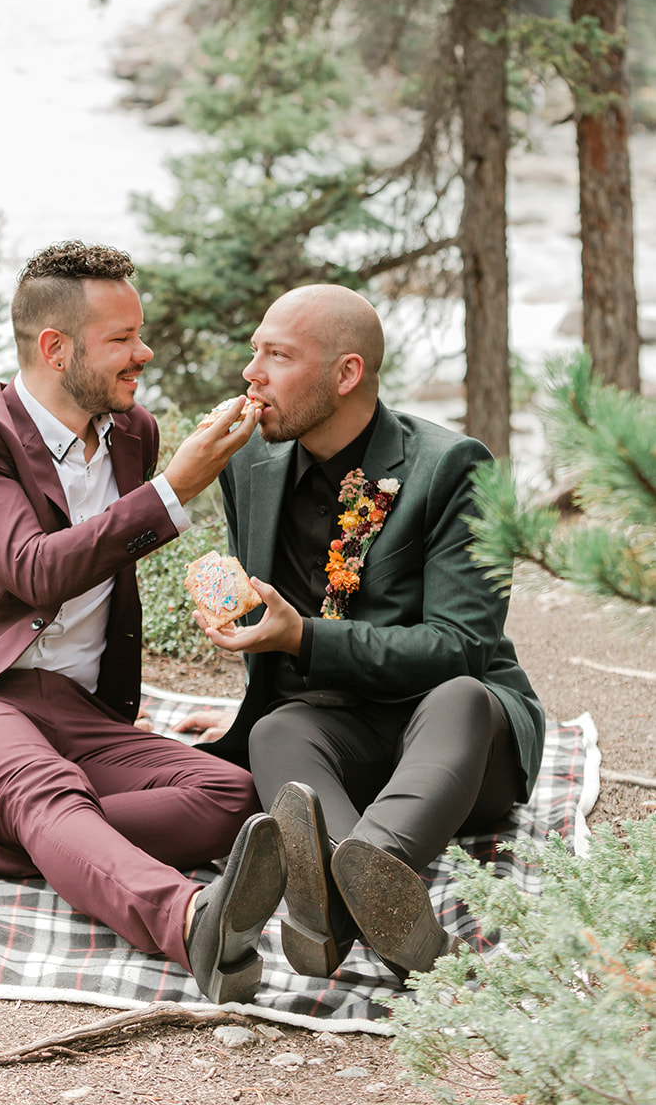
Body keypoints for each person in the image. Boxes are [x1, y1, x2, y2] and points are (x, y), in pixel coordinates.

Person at [0, 240, 287, 1004]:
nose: (143, 353)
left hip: (74, 706)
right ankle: (189, 923)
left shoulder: (133, 434)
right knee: (47, 792)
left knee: (231, 795)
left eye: (138, 333)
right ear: (55, 349)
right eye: (121, 340)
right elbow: (37, 569)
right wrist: (174, 491)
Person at [192, 283, 544, 981]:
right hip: (336, 726)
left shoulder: (452, 467)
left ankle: (353, 876)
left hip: (460, 741)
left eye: (277, 355)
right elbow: (273, 611)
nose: (250, 373)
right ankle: (364, 893)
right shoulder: (246, 463)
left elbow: (460, 647)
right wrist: (247, 629)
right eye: (253, 351)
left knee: (460, 697)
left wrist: (302, 640)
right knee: (273, 732)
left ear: (345, 373)